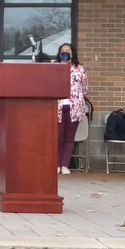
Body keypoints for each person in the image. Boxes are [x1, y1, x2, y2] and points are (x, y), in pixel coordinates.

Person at [55, 42, 89, 175]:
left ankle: (64, 165)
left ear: (72, 53)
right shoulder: (54, 67)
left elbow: (85, 88)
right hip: (58, 106)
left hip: (74, 107)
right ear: (59, 54)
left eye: (68, 51)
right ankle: (56, 164)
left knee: (70, 138)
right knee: (58, 137)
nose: (65, 53)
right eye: (62, 51)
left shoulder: (80, 69)